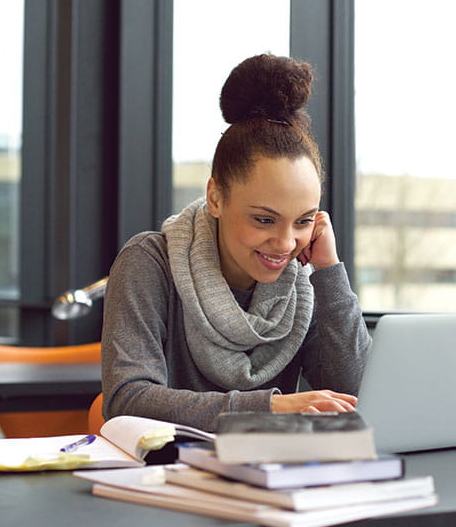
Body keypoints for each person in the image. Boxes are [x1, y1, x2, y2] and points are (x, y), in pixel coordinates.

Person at [101, 53, 370, 431]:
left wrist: (330, 273)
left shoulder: (299, 288)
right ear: (215, 198)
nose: (284, 243)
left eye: (303, 221)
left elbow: (359, 393)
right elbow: (127, 399)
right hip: (168, 475)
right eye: (264, 219)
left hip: (272, 474)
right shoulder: (149, 262)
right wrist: (271, 408)